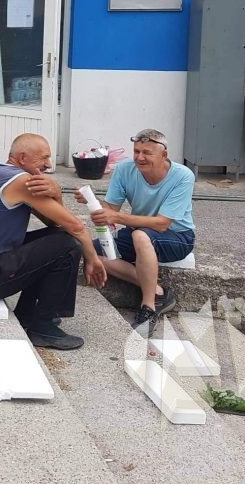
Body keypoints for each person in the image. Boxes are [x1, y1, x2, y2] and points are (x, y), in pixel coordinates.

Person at [0, 133, 106, 350]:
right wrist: (93, 259)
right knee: (69, 246)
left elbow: (54, 224)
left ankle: (28, 314)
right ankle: (43, 328)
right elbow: (75, 226)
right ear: (22, 158)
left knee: (57, 240)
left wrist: (57, 194)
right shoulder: (23, 182)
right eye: (43, 158)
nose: (48, 164)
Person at [77, 128, 195, 336]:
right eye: (137, 151)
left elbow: (162, 224)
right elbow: (111, 209)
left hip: (177, 237)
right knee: (89, 251)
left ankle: (148, 307)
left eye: (147, 152)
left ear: (164, 155)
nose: (140, 157)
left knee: (140, 236)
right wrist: (91, 201)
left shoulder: (182, 176)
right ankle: (158, 291)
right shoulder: (125, 169)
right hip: (137, 232)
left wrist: (118, 218)